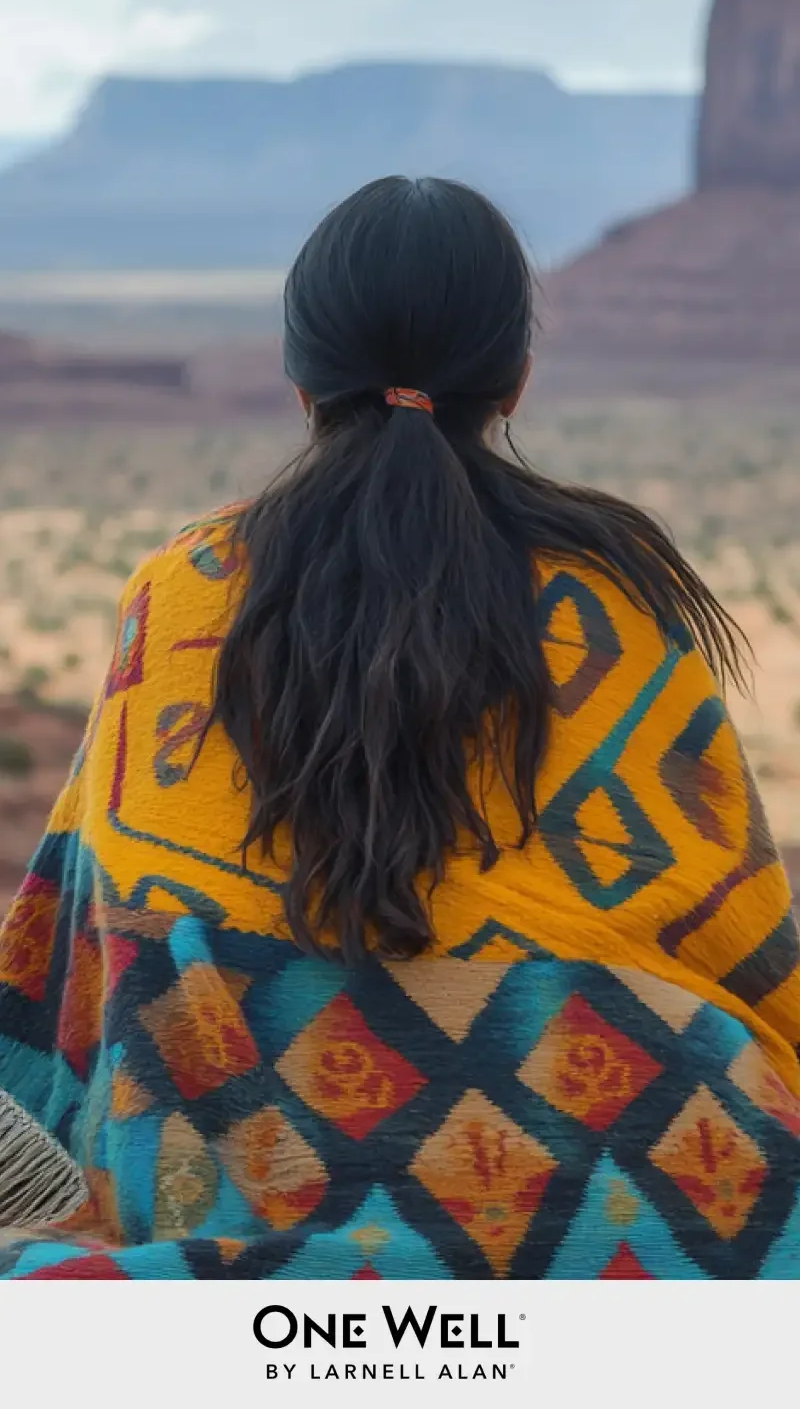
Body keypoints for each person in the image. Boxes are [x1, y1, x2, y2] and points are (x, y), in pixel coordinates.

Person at [0, 176, 799, 1281]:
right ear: (513, 381)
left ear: (298, 383)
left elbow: (87, 933)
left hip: (233, 1260)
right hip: (653, 1239)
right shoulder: (618, 608)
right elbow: (733, 941)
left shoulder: (180, 597)